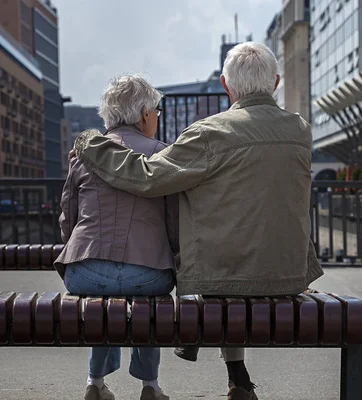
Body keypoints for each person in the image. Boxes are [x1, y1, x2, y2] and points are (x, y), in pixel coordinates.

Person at [72, 42, 324, 400]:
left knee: (222, 261)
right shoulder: (301, 130)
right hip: (290, 275)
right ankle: (237, 374)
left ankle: (227, 372)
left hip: (225, 279)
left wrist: (89, 144)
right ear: (277, 82)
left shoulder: (209, 133)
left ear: (225, 84)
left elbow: (146, 177)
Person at [56, 75, 178, 400]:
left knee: (104, 294)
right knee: (145, 299)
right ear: (143, 115)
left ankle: (94, 382)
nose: (156, 117)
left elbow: (67, 220)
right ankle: (150, 386)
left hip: (85, 272)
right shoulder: (163, 156)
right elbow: (174, 224)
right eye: (156, 111)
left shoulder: (82, 156)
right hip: (148, 273)